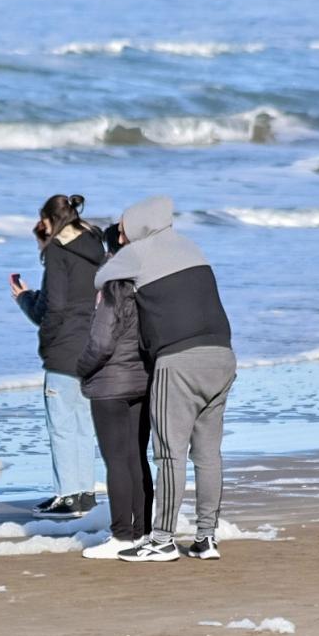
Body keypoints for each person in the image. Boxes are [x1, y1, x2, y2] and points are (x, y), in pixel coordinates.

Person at [92, 196, 236, 562]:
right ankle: (206, 538)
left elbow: (100, 278)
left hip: (179, 360)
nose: (121, 238)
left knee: (169, 454)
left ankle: (162, 540)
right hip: (222, 354)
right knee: (207, 454)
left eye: (122, 231)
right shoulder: (193, 248)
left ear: (137, 228)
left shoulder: (137, 252)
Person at [11, 194, 104, 519]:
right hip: (95, 344)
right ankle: (84, 494)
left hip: (66, 347)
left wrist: (24, 299)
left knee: (62, 424)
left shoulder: (57, 251)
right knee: (82, 423)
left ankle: (67, 496)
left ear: (50, 220)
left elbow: (54, 308)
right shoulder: (95, 244)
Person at [76, 223, 154, 558]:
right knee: (137, 457)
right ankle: (144, 531)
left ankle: (122, 536)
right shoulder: (149, 284)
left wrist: (81, 369)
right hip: (144, 379)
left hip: (110, 384)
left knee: (117, 461)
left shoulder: (112, 287)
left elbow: (102, 342)